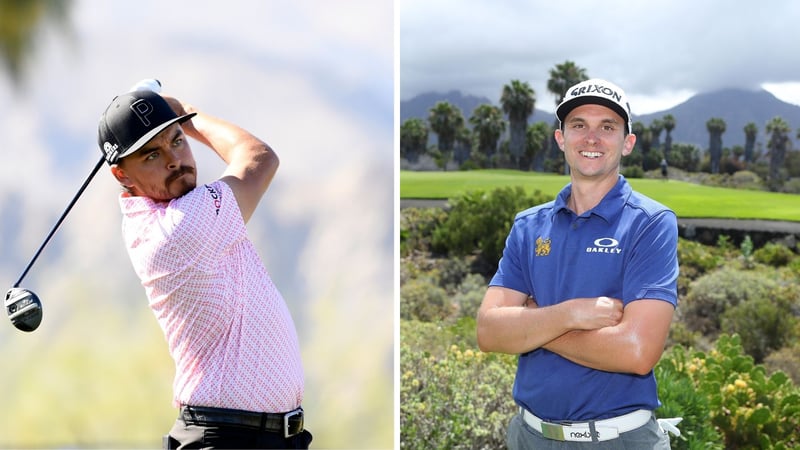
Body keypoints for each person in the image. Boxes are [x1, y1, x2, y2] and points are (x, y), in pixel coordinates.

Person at [97, 84, 312, 449]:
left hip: (263, 437)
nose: (173, 160)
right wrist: (184, 110)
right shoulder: (181, 226)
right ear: (122, 176)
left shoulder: (165, 215)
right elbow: (259, 157)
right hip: (227, 439)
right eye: (151, 155)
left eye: (177, 140)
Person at [476, 78, 679, 449]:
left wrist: (533, 323)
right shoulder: (528, 225)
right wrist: (569, 314)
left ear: (627, 143)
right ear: (561, 139)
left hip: (618, 439)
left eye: (607, 127)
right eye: (578, 125)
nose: (592, 138)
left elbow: (637, 352)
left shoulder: (650, 222)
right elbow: (489, 332)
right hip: (528, 437)